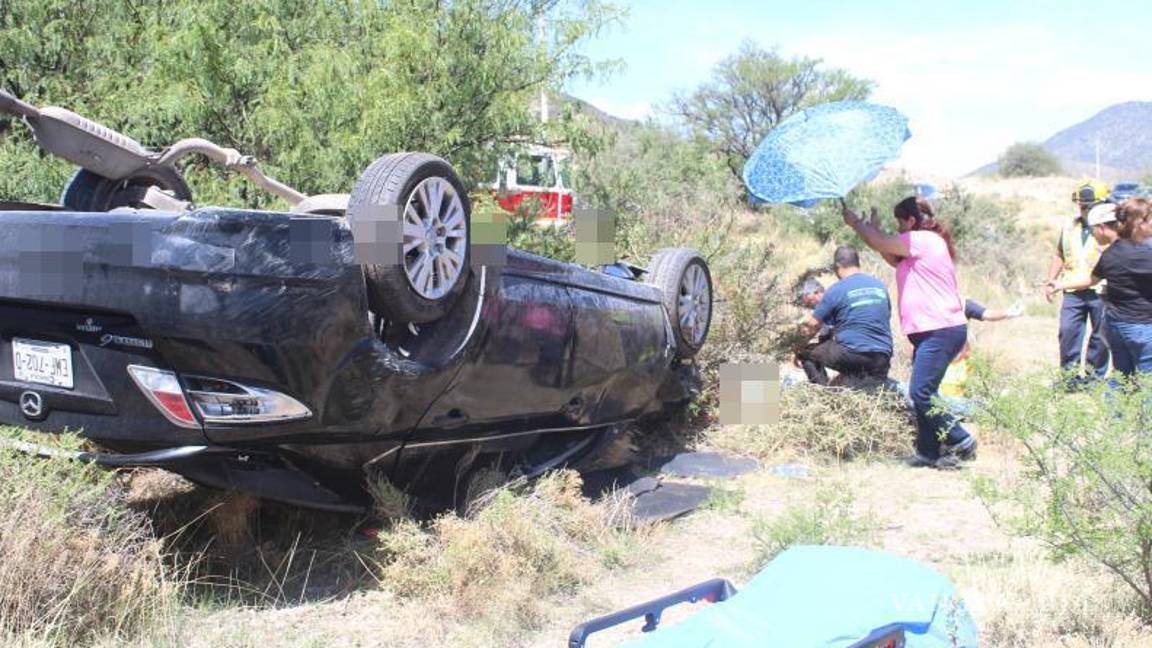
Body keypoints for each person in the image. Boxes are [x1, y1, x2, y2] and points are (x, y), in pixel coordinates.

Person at [842, 196, 975, 469]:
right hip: (932, 332)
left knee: (921, 393)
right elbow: (888, 253)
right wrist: (873, 231)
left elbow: (882, 243)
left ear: (912, 221)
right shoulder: (917, 248)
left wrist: (856, 223)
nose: (898, 229)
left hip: (941, 329)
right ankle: (928, 453)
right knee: (925, 392)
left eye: (899, 223)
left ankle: (961, 439)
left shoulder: (925, 241)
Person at [1050, 200, 1152, 376]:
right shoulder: (1142, 253)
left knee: (1122, 377)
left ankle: (1111, 402)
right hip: (1141, 325)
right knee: (1145, 380)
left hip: (1117, 324)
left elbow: (1091, 279)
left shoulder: (1111, 253)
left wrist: (1060, 284)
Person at [1043, 181, 1111, 386]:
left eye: (1090, 206)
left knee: (1100, 337)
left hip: (1100, 290)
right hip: (1071, 289)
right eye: (1083, 206)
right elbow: (1059, 255)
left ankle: (1094, 379)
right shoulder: (1069, 227)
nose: (1086, 210)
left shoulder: (1108, 228)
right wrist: (1051, 281)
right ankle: (1068, 379)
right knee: (1068, 333)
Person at [795, 246, 893, 387]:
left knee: (805, 352)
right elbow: (885, 317)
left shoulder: (837, 289)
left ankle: (823, 394)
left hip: (852, 355)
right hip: (882, 359)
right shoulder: (880, 286)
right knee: (856, 382)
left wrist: (795, 347)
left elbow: (811, 326)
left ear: (838, 266)